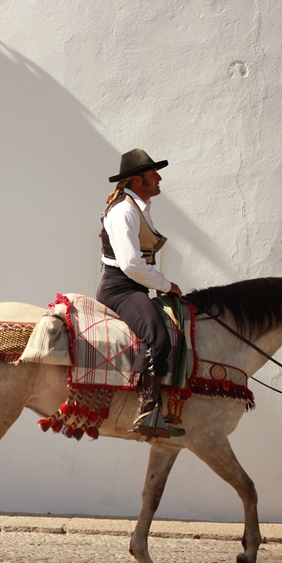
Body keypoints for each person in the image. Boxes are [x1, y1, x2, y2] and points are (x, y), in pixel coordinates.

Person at [97, 149, 184, 439]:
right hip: (121, 288)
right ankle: (148, 410)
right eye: (153, 174)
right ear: (137, 180)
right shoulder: (124, 211)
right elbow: (131, 264)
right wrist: (166, 285)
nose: (159, 178)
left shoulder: (135, 208)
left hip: (132, 286)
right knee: (157, 336)